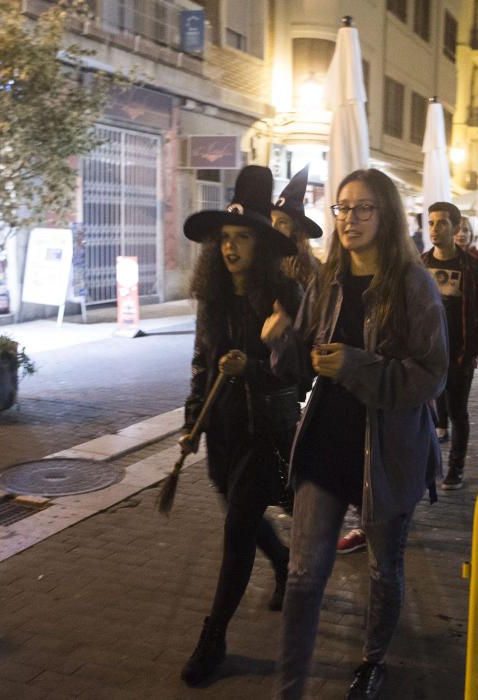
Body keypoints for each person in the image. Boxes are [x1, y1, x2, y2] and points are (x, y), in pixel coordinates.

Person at [262, 168, 448, 700]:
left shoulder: (415, 285)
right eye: (342, 208)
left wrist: (357, 365)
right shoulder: (326, 282)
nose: (350, 219)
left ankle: (373, 659)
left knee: (383, 569)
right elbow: (302, 368)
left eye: (364, 208)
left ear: (386, 216)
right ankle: (289, 688)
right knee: (301, 576)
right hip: (326, 440)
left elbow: (430, 375)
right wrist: (282, 343)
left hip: (389, 449)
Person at [178, 165, 302, 686]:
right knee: (243, 521)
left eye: (242, 238)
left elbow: (301, 373)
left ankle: (214, 638)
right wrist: (191, 422)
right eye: (224, 238)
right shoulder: (213, 296)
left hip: (265, 430)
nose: (230, 248)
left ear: (262, 244)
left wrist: (258, 359)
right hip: (222, 429)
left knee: (235, 531)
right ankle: (282, 561)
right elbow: (202, 363)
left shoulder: (284, 297)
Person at [423, 202, 478, 489]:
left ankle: (456, 468)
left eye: (441, 223)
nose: (434, 229)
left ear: (455, 227)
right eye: (430, 223)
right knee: (424, 412)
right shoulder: (420, 263)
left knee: (458, 412)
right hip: (426, 354)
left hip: (459, 355)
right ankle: (426, 463)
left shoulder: (472, 267)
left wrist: (472, 349)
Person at [271, 164, 322, 291]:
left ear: (297, 230)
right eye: (271, 220)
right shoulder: (263, 262)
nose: (274, 227)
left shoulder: (313, 270)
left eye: (282, 222)